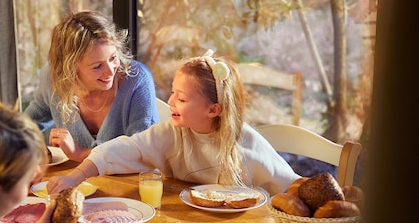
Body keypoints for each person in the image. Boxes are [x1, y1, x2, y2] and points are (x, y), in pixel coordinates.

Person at [47, 50, 300, 196]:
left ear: (213, 109)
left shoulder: (246, 144)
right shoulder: (171, 132)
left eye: (181, 98)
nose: (170, 103)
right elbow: (124, 148)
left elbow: (291, 185)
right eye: (172, 93)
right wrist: (75, 177)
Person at [24, 11, 160, 162]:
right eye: (97, 66)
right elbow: (26, 126)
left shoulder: (137, 80)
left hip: (130, 183)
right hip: (76, 183)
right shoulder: (53, 77)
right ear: (70, 69)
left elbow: (143, 154)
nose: (111, 71)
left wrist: (81, 153)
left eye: (113, 58)